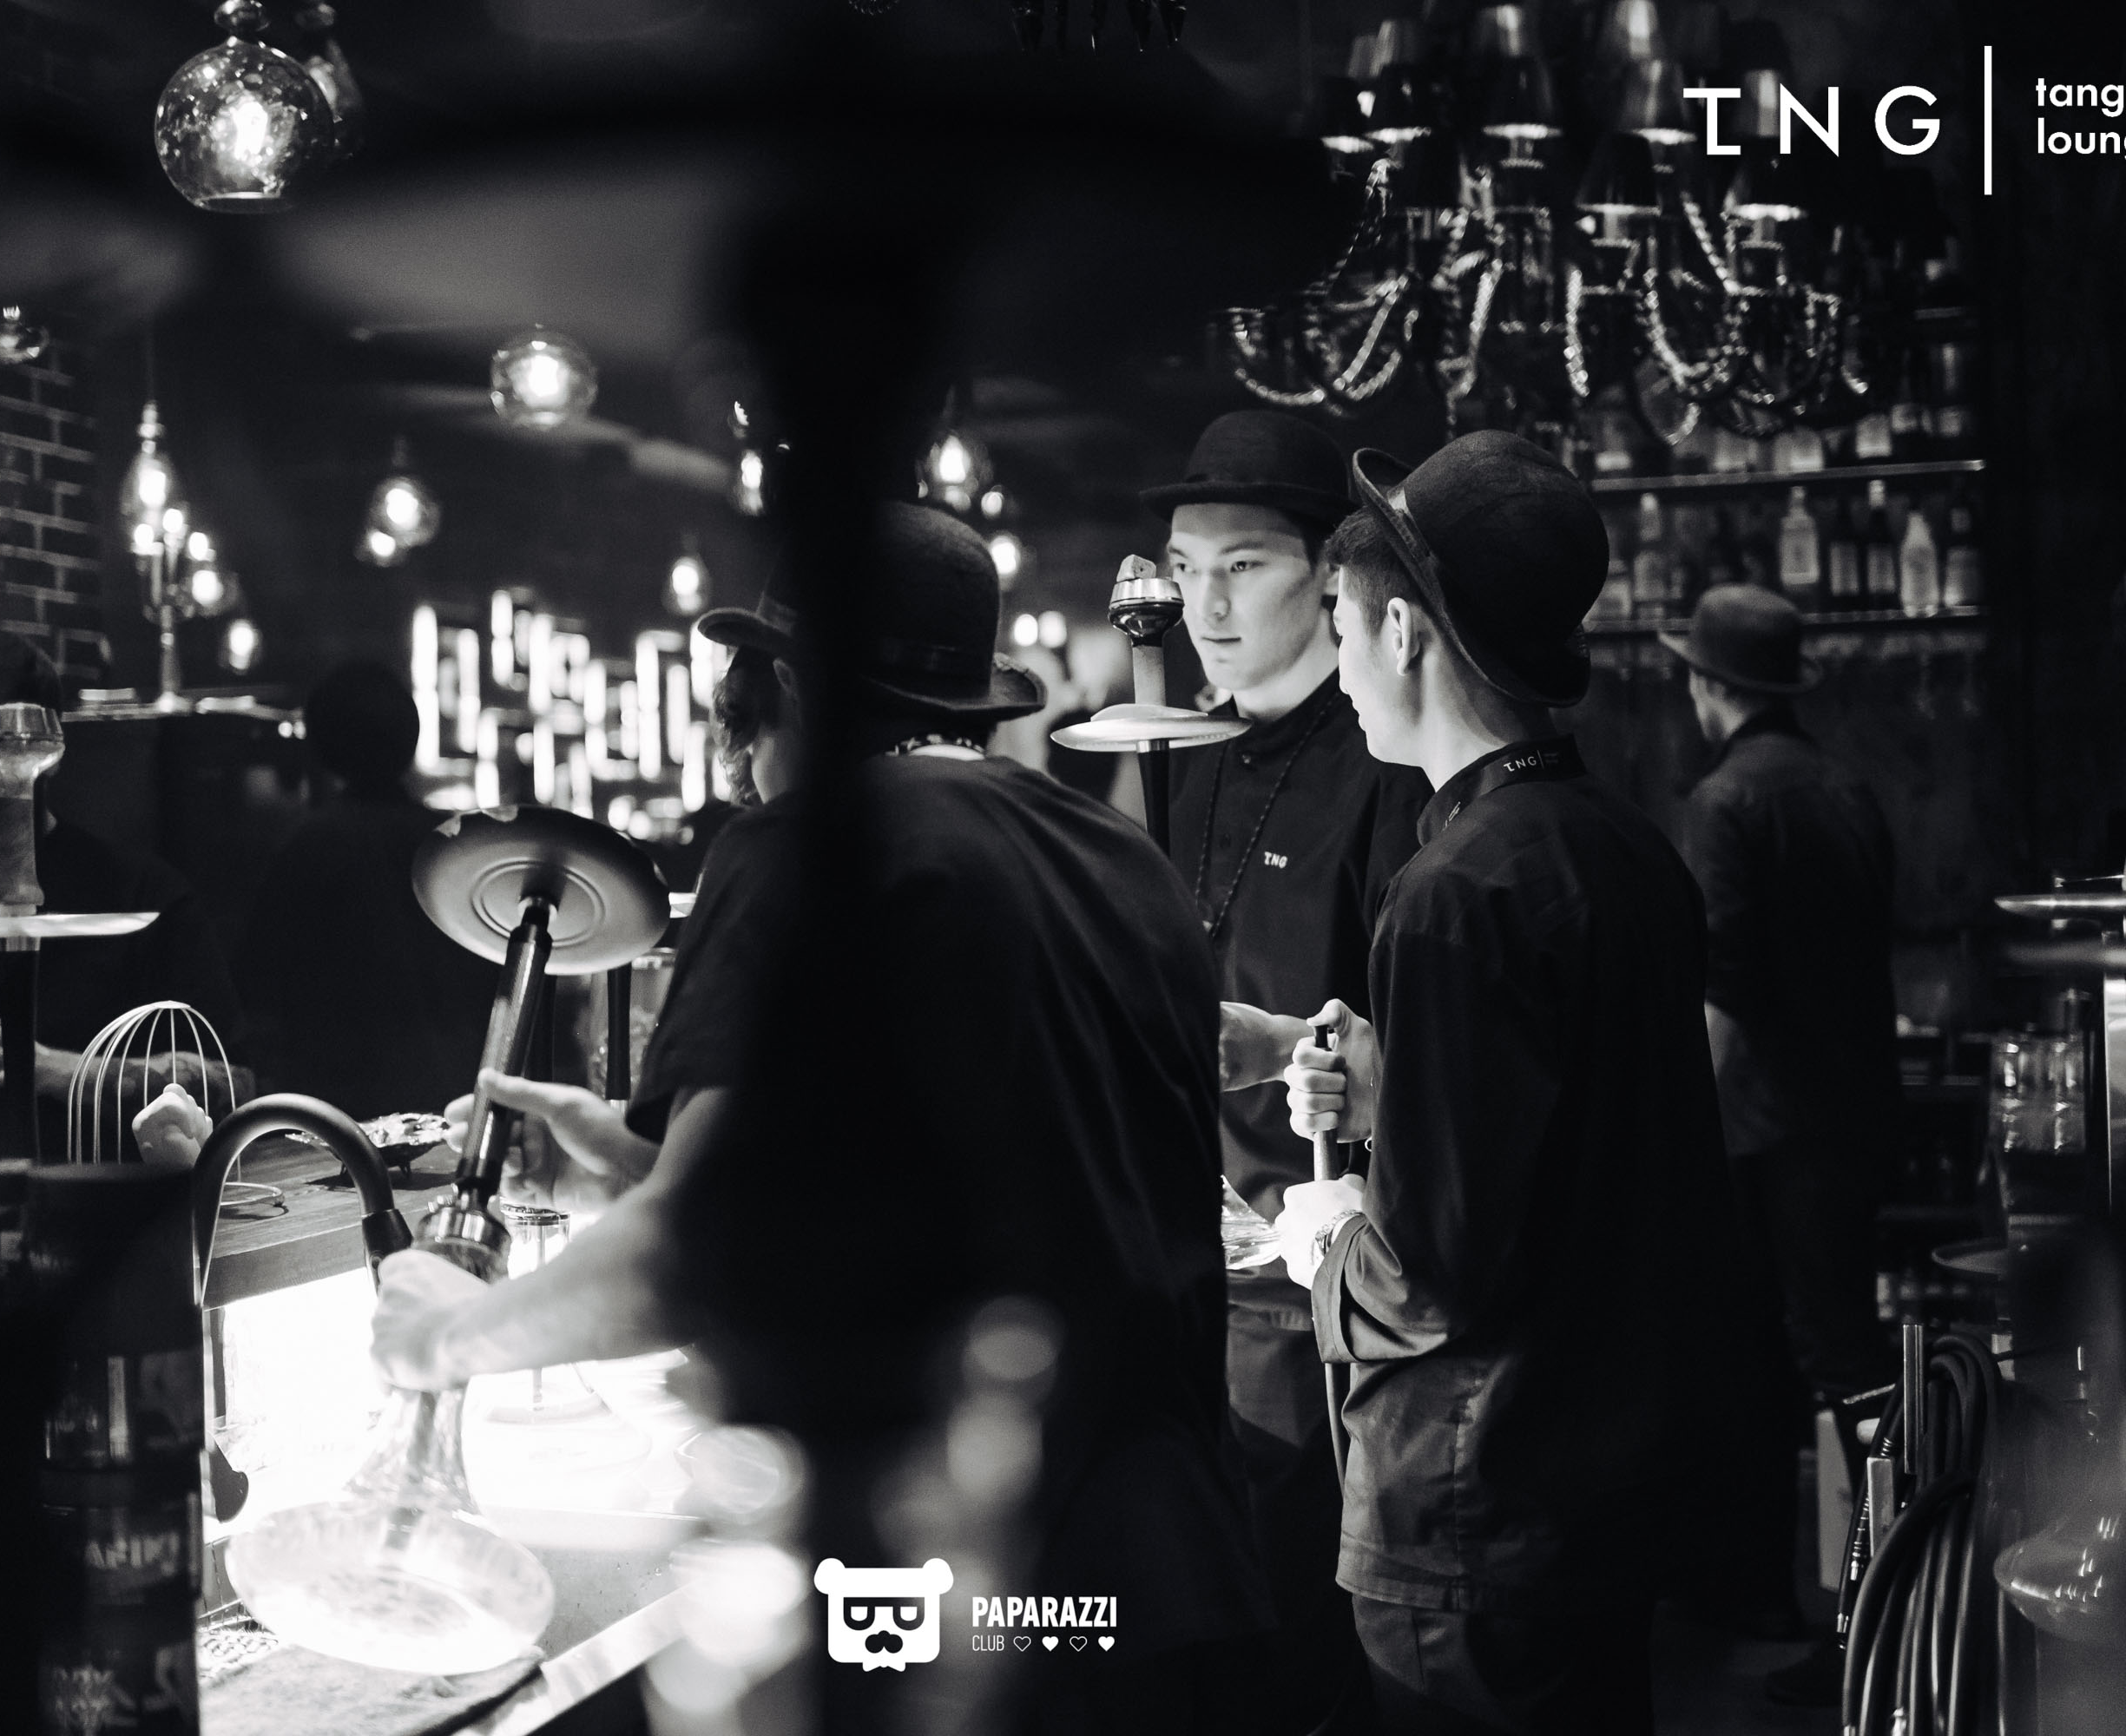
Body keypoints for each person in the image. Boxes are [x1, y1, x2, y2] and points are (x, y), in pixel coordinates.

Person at [371, 505, 1267, 1733]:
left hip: (972, 1594)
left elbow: (688, 1265)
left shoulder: (810, 848)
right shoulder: (1121, 858)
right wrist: (623, 1165)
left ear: (787, 683)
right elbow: (1006, 1171)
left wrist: (440, 1334)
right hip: (1173, 1578)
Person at [1271, 432, 1741, 1734]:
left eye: (1339, 629)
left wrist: (1326, 1242)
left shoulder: (1453, 890)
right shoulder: (1623, 849)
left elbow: (1430, 1278)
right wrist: (1392, 1097)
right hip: (1606, 1492)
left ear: (1405, 632)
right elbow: (1585, 1170)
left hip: (1473, 1510)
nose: (1338, 670)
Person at [1139, 408, 1431, 1733]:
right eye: (1184, 569)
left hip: (1321, 1269)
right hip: (1179, 1256)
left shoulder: (1386, 761)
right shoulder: (1172, 756)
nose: (1205, 604)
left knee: (1296, 1633)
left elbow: (1423, 1042)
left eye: (1241, 566)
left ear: (1326, 576)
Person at [1662, 585, 1901, 1676]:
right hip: (1854, 1118)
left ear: (1709, 685)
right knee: (1833, 1365)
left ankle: (1848, 1617)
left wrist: (1674, 1125)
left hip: (1767, 1131)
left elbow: (1725, 992)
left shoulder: (1725, 799)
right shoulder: (1846, 785)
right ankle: (1845, 1598)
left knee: (1801, 1368)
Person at [0, 628, 248, 1158]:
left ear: (48, 748)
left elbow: (235, 1083)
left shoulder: (140, 892)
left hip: (99, 1198)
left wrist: (56, 1070)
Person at [235, 661, 501, 1119]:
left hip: (344, 1113)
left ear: (320, 744)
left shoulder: (308, 849)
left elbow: (261, 993)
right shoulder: (460, 844)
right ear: (410, 735)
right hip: (464, 1102)